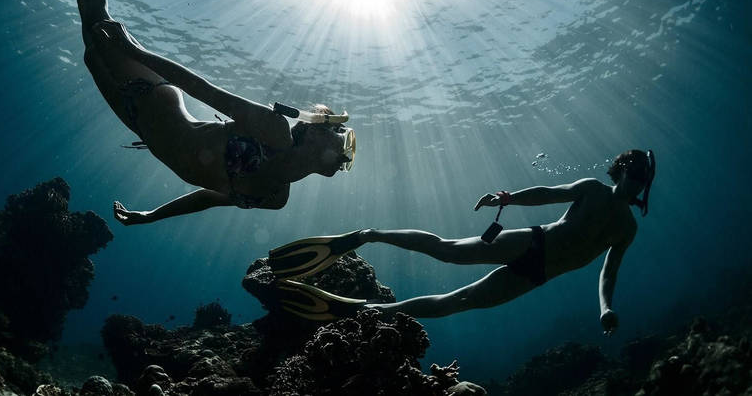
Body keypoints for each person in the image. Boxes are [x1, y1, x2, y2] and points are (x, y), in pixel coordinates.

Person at [0, 0, 356, 224]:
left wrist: (149, 216)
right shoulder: (274, 130)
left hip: (141, 126)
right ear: (316, 131)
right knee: (98, 29)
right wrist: (134, 52)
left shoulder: (276, 199)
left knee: (89, 51)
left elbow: (208, 197)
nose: (345, 154)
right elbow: (201, 89)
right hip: (155, 100)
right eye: (341, 137)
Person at [268, 149, 655, 335]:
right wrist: (507, 199)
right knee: (448, 251)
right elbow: (547, 194)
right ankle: (368, 235)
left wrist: (606, 308)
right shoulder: (592, 189)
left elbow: (609, 272)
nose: (637, 183)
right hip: (531, 244)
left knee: (458, 302)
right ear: (621, 170)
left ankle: (370, 312)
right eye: (634, 173)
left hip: (539, 274)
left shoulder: (627, 228)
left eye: (643, 179)